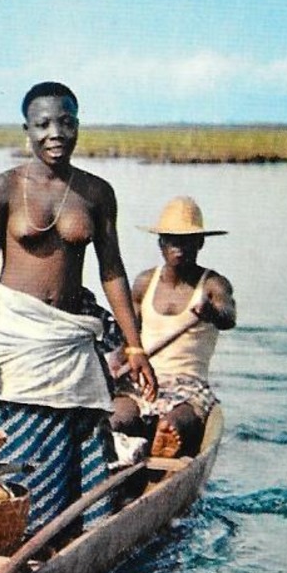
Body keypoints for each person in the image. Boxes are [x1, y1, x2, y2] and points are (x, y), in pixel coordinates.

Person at [0, 81, 156, 532]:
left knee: (76, 436)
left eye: (66, 122)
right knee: (12, 433)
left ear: (78, 125)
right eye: (44, 124)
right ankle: (10, 531)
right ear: (27, 130)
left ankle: (63, 536)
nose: (56, 133)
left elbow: (113, 272)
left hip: (69, 338)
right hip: (14, 333)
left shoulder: (96, 192)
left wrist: (135, 346)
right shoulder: (2, 190)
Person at [110, 196, 236, 458]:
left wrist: (211, 311)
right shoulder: (145, 282)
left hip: (188, 386)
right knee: (117, 419)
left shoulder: (213, 285)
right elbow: (127, 337)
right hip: (142, 380)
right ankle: (128, 450)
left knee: (171, 425)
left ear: (200, 243)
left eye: (187, 240)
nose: (179, 247)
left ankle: (163, 443)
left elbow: (228, 317)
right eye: (171, 239)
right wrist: (114, 365)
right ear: (161, 243)